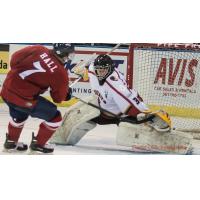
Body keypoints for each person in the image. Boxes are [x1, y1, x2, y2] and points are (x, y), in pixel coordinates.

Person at [51, 54, 171, 146]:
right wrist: (83, 69)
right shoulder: (94, 68)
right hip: (102, 108)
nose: (100, 73)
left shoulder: (115, 84)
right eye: (98, 70)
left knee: (133, 127)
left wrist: (145, 114)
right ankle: (59, 137)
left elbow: (129, 99)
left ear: (110, 69)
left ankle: (161, 139)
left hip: (118, 115)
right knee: (74, 112)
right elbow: (87, 66)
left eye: (103, 70)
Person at [0, 43, 75, 153]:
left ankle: (11, 143)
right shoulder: (60, 73)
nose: (69, 57)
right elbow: (58, 99)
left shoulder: (38, 48)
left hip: (6, 91)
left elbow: (14, 59)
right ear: (63, 53)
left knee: (19, 116)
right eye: (69, 54)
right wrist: (67, 95)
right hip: (24, 100)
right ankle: (39, 144)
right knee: (55, 118)